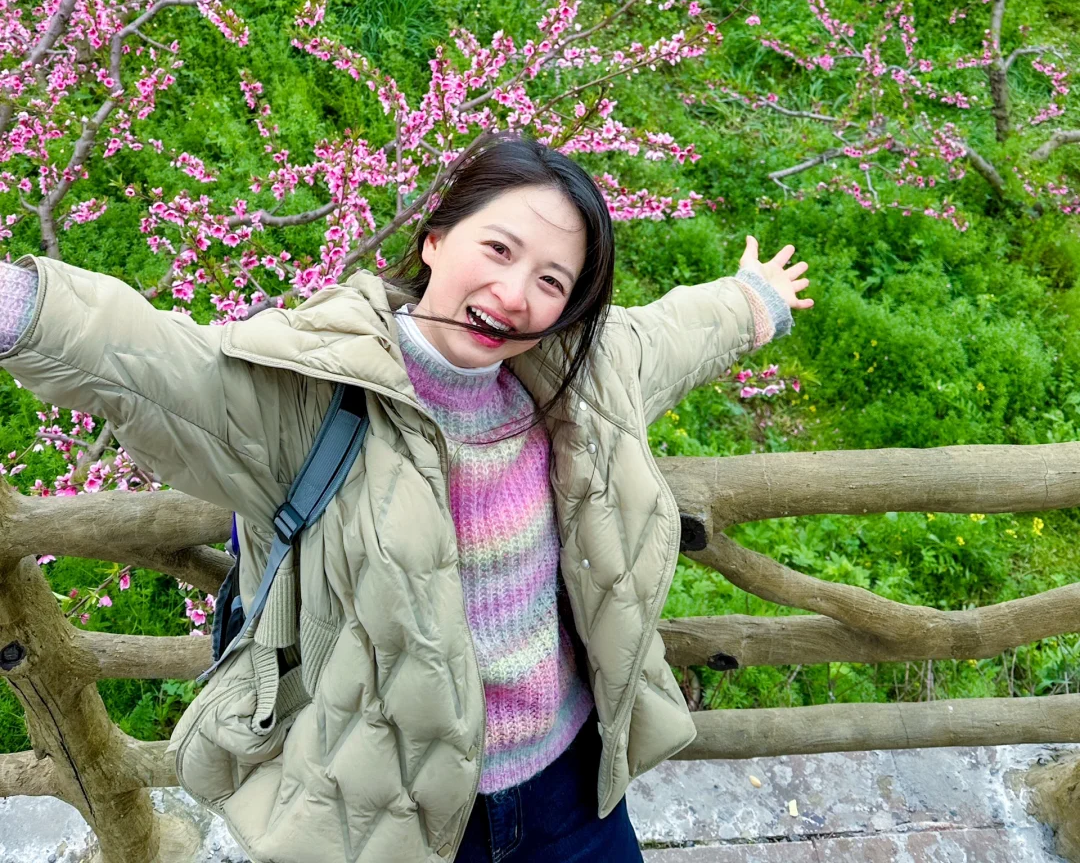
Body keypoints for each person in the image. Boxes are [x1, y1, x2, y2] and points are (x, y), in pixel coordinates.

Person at [0, 133, 812, 863]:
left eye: (551, 280)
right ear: (434, 239)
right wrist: (18, 307)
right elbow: (152, 359)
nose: (515, 292)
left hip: (572, 791)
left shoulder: (580, 375)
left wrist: (753, 302)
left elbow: (673, 332)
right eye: (497, 248)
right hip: (392, 814)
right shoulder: (315, 393)